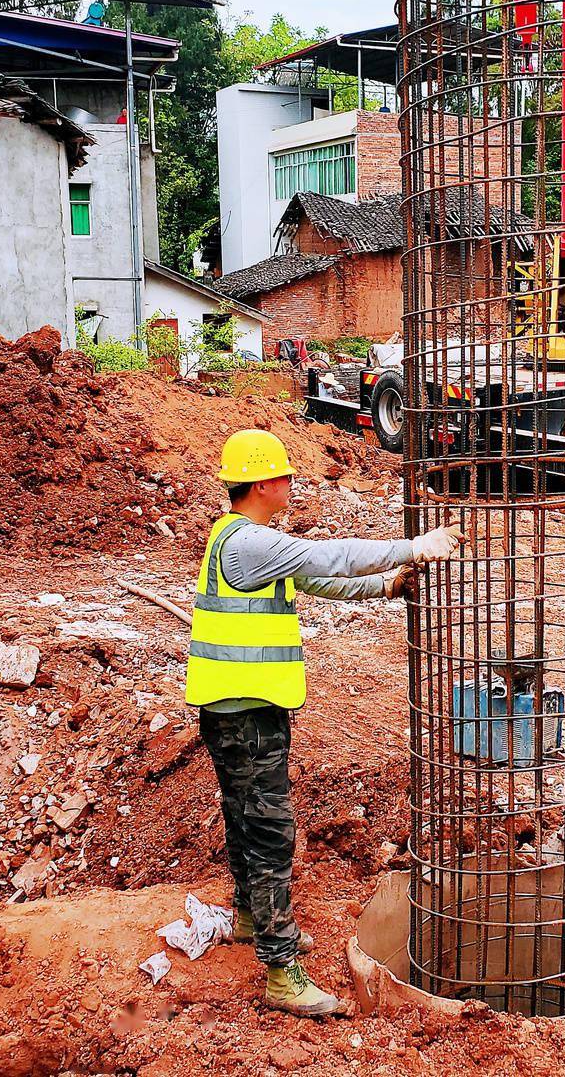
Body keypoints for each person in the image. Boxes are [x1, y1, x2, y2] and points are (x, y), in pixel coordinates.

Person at [186, 429, 463, 1015]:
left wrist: (385, 585)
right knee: (269, 833)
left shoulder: (244, 542)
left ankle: (249, 917)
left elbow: (320, 581)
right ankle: (282, 971)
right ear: (263, 483)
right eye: (285, 476)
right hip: (246, 712)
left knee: (244, 819)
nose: (292, 483)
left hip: (235, 706)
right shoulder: (248, 544)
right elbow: (326, 556)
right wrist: (413, 547)